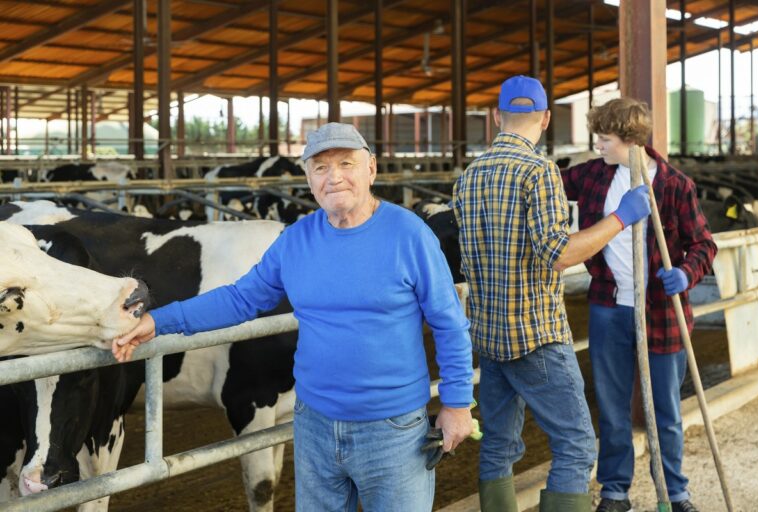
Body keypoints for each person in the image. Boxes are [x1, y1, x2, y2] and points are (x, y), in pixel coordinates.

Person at [113, 122, 475, 511]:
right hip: (315, 426)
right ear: (308, 179)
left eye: (346, 163)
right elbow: (240, 298)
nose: (334, 177)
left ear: (371, 168)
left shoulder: (410, 235)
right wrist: (160, 321)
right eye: (320, 167)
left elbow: (448, 322)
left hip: (393, 430)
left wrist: (457, 405)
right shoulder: (296, 239)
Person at [452, 75, 652, 512]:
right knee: (576, 444)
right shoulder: (539, 171)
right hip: (536, 335)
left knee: (498, 444)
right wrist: (620, 217)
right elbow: (558, 254)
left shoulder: (469, 178)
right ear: (545, 119)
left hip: (489, 338)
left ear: (496, 117)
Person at [561, 97, 717, 512]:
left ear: (631, 140)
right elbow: (548, 182)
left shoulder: (675, 185)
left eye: (605, 139)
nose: (597, 146)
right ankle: (615, 491)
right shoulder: (592, 175)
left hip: (662, 311)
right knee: (611, 406)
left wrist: (685, 273)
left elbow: (704, 244)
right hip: (609, 305)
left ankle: (674, 491)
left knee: (665, 409)